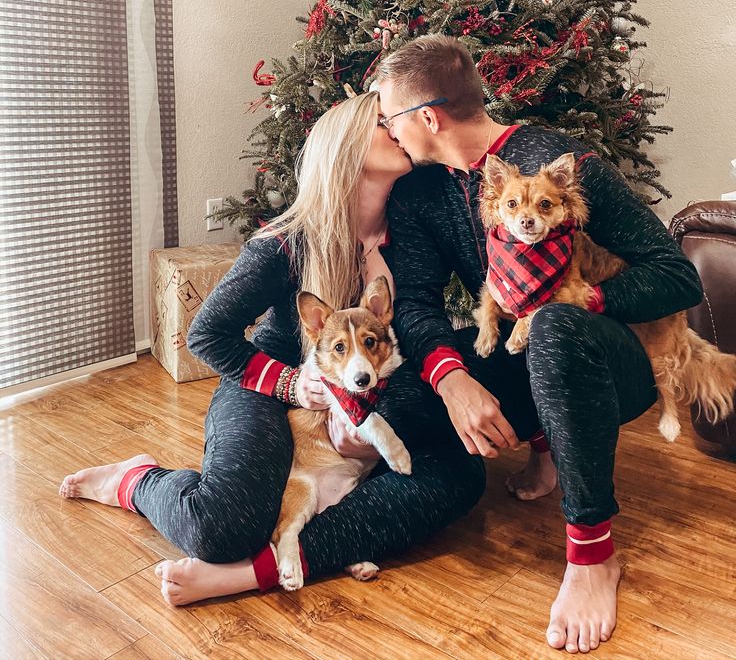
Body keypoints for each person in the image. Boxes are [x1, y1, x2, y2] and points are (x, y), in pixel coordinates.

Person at [59, 92, 488, 606]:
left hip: (372, 400)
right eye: (382, 121)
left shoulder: (412, 234)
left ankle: (274, 560)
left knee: (462, 475)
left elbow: (421, 329)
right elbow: (206, 335)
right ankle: (138, 481)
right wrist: (292, 384)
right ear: (345, 145)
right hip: (269, 387)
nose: (399, 125)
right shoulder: (286, 242)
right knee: (222, 529)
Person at [375, 34, 703, 655]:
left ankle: (591, 554)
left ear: (428, 118)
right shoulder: (419, 194)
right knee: (406, 399)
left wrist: (587, 300)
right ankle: (314, 539)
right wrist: (453, 381)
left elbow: (675, 275)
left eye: (392, 120)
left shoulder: (561, 164)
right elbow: (416, 304)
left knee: (552, 323)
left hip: (604, 360)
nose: (389, 134)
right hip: (516, 348)